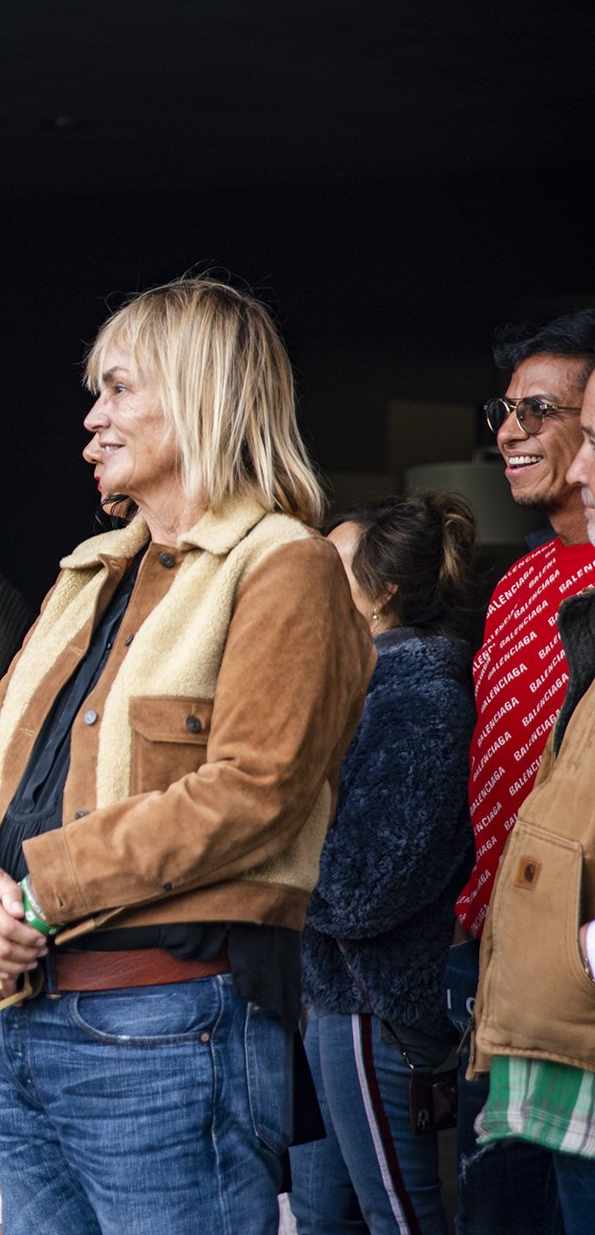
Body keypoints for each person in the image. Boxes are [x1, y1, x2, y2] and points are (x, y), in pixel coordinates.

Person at [0, 276, 374, 1235]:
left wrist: (32, 893)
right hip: (18, 1013)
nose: (92, 420)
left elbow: (254, 791)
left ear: (201, 392)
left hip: (168, 1022)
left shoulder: (283, 564)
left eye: (119, 389)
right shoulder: (89, 572)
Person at [288, 494, 481, 1235]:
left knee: (399, 1214)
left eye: (334, 564)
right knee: (319, 1215)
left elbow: (369, 886)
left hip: (377, 1005)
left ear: (385, 589)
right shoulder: (361, 684)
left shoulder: (422, 695)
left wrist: (274, 872)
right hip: (334, 996)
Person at [452, 310, 595, 1233]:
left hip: (575, 963)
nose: (509, 433)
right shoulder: (518, 579)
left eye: (537, 410)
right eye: (502, 411)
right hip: (492, 953)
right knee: (499, 1207)